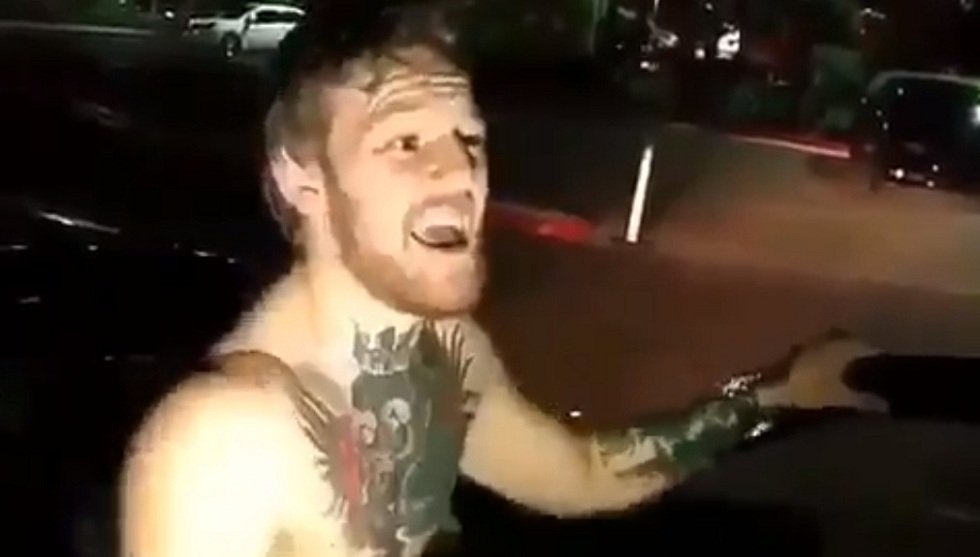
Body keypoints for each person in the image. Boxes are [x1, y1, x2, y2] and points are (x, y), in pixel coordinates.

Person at [119, 2, 883, 556]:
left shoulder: (443, 352)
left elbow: (581, 473)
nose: (459, 173)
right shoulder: (223, 445)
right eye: (405, 141)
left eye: (469, 138)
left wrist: (773, 398)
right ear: (303, 178)